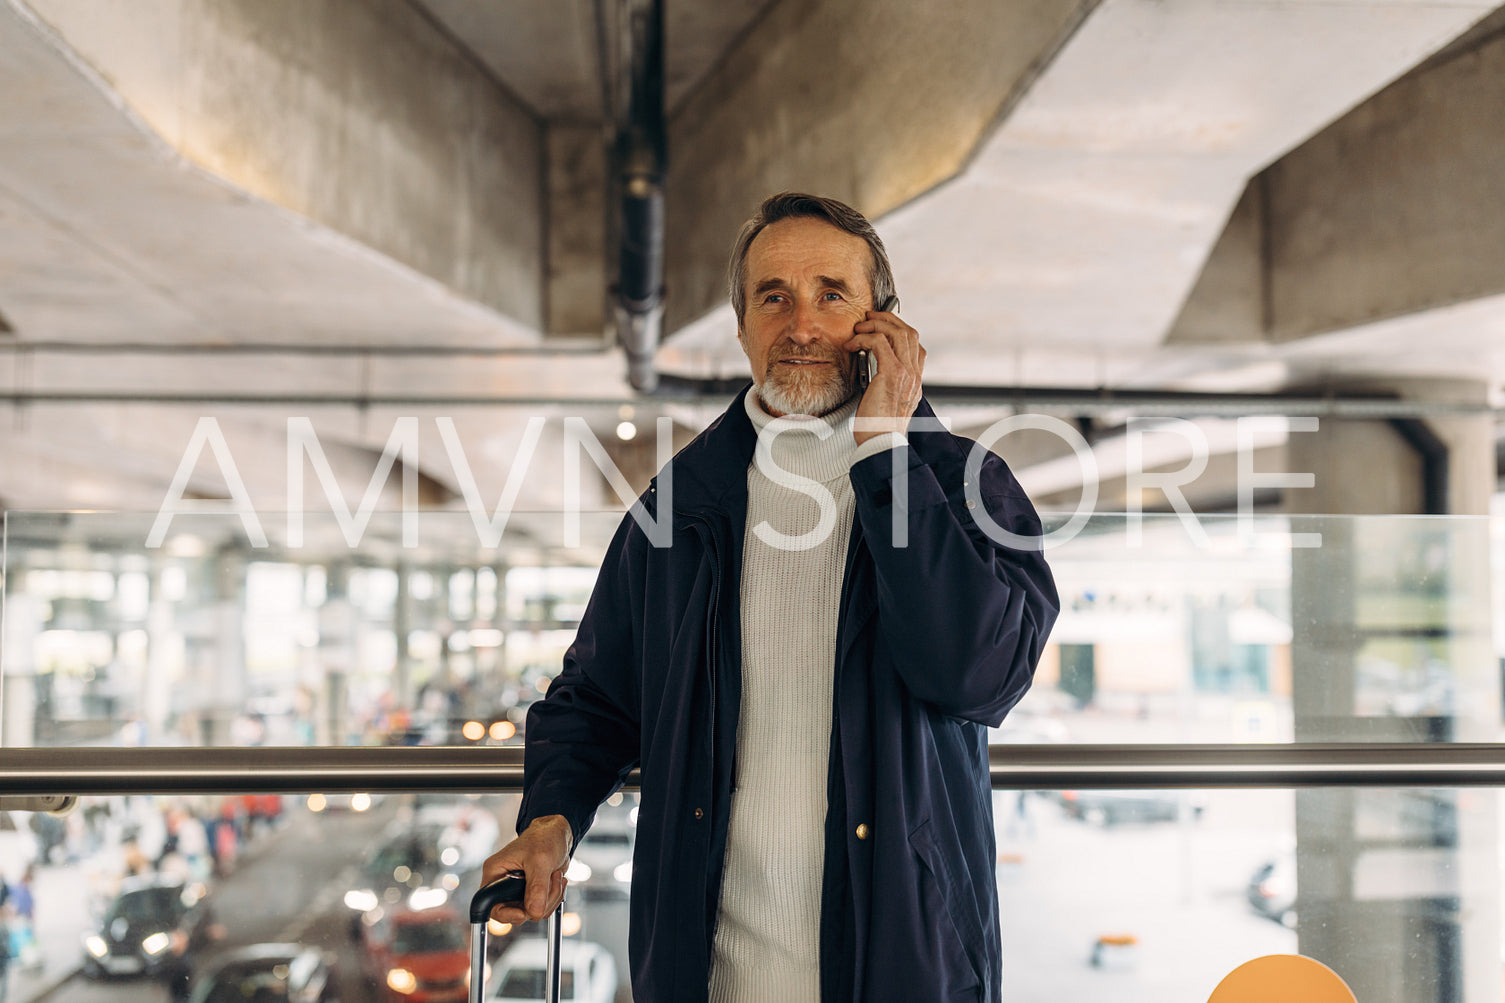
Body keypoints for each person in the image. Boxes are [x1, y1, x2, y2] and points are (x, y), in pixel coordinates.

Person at [481, 192, 1059, 1001]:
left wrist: (887, 454)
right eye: (773, 296)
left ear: (882, 321)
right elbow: (598, 697)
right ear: (743, 324)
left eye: (831, 294)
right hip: (710, 974)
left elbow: (977, 674)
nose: (801, 325)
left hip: (902, 964)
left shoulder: (967, 485)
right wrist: (552, 817)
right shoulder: (679, 504)